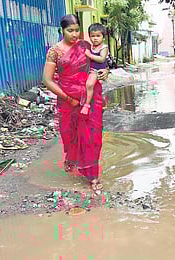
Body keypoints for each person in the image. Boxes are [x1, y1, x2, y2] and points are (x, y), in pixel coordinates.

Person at [42, 14, 109, 195]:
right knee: (70, 134)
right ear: (61, 31)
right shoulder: (54, 51)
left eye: (77, 30)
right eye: (70, 30)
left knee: (92, 136)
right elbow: (47, 80)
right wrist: (68, 98)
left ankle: (92, 175)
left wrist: (105, 72)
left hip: (90, 97)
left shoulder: (86, 47)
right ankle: (72, 159)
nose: (74, 34)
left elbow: (99, 65)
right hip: (67, 99)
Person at [82, 23, 109, 116]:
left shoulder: (103, 47)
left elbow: (101, 59)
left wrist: (90, 55)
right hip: (91, 70)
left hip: (97, 71)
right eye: (92, 36)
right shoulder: (91, 47)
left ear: (103, 37)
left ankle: (87, 105)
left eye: (98, 36)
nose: (95, 38)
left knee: (89, 84)